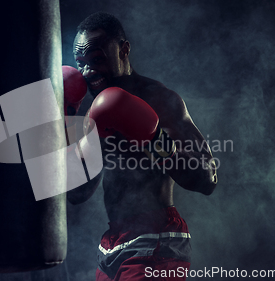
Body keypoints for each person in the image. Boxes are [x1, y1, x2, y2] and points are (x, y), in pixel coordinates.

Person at [66, 12, 217, 281]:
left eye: (98, 59)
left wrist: (154, 139)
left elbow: (208, 178)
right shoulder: (95, 109)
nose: (89, 72)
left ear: (124, 50)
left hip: (157, 238)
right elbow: (78, 193)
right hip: (112, 243)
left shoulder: (158, 98)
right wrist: (68, 115)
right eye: (82, 64)